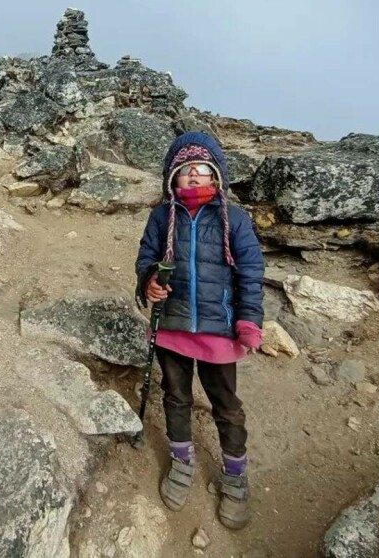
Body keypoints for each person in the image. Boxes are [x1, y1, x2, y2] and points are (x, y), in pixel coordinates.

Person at [135, 131, 265, 530]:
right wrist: (149, 282)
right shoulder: (161, 216)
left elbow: (251, 272)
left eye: (203, 170)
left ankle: (234, 474)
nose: (193, 177)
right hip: (172, 325)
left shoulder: (235, 218)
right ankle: (181, 461)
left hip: (219, 329)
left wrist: (248, 320)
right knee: (175, 396)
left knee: (225, 402)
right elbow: (146, 260)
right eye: (184, 170)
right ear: (171, 178)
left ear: (217, 176)